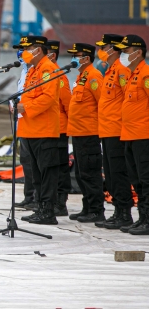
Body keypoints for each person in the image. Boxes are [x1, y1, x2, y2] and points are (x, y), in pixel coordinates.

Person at [14, 36, 61, 225]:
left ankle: (48, 211)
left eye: (28, 48)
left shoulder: (48, 68)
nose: (24, 52)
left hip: (44, 129)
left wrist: (27, 107)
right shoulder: (34, 70)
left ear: (38, 50)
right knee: (36, 174)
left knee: (46, 173)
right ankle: (39, 207)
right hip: (30, 129)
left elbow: (49, 97)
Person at [95, 34, 134, 229]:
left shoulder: (121, 71)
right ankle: (118, 211)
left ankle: (125, 213)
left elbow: (129, 98)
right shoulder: (109, 70)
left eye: (104, 47)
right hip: (106, 130)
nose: (100, 51)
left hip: (117, 130)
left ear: (113, 49)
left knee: (119, 173)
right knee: (110, 175)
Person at [114, 34, 149, 235]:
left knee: (146, 179)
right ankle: (142, 218)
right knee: (136, 180)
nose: (123, 55)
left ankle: (148, 219)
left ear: (138, 52)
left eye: (125, 51)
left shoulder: (145, 74)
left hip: (143, 136)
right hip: (129, 135)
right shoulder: (132, 75)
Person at [66, 43, 105, 223]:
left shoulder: (94, 76)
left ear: (86, 58)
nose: (74, 58)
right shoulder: (82, 76)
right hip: (78, 132)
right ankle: (87, 207)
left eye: (77, 55)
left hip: (89, 133)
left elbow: (102, 104)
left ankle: (96, 210)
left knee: (90, 173)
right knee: (81, 174)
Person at [45, 40, 72, 216]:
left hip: (60, 128)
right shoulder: (46, 72)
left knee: (60, 166)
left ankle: (60, 203)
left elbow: (68, 103)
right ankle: (51, 200)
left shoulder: (58, 76)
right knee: (50, 165)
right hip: (50, 127)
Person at [13, 49, 36, 211]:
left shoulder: (39, 72)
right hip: (22, 122)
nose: (20, 55)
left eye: (24, 51)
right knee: (26, 162)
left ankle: (36, 198)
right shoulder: (24, 72)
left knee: (34, 163)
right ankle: (29, 197)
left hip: (34, 123)